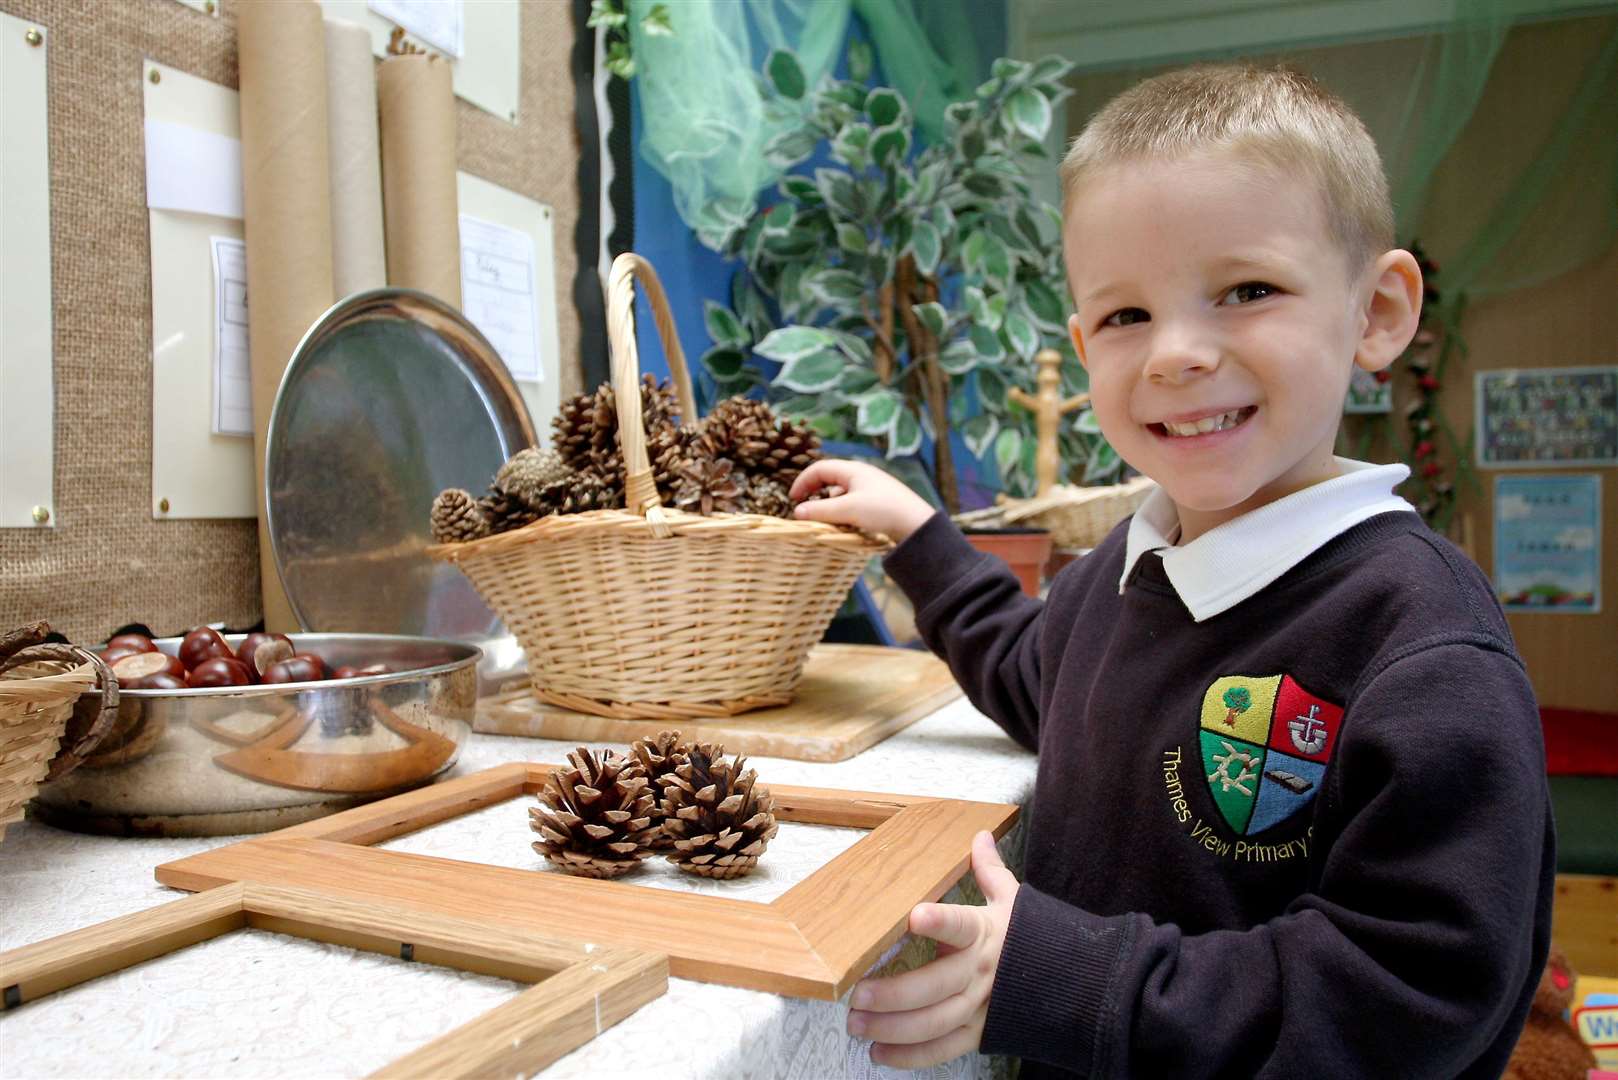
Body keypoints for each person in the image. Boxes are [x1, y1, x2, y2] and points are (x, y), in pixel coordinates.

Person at [790, 63, 1554, 1078]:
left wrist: (1088, 984)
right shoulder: (1132, 560)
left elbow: (1418, 991)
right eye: (1124, 317)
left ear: (1376, 311)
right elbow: (1036, 681)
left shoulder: (1418, 636)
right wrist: (921, 536)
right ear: (1081, 345)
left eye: (1246, 291)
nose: (1175, 354)